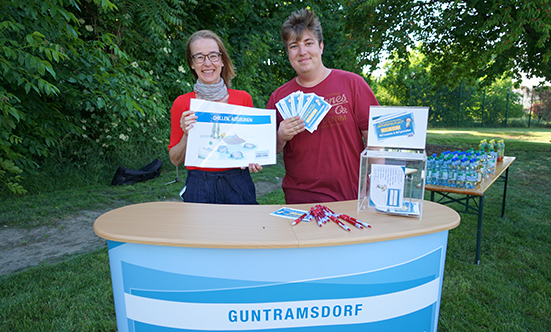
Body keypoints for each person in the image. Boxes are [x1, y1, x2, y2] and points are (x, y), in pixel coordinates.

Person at [266, 8, 379, 204]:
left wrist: (377, 188)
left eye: (308, 43)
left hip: (350, 197)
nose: (302, 52)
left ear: (321, 47)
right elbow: (267, 150)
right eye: (294, 46)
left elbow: (376, 143)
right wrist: (280, 136)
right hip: (299, 199)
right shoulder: (279, 97)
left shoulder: (353, 84)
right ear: (288, 53)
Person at [168, 30, 262, 204]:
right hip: (198, 184)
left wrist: (254, 159)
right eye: (199, 57)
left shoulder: (243, 98)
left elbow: (251, 147)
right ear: (191, 63)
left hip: (238, 181)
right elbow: (175, 159)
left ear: (222, 60)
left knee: (243, 231)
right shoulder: (182, 104)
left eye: (213, 56)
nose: (207, 63)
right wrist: (186, 135)